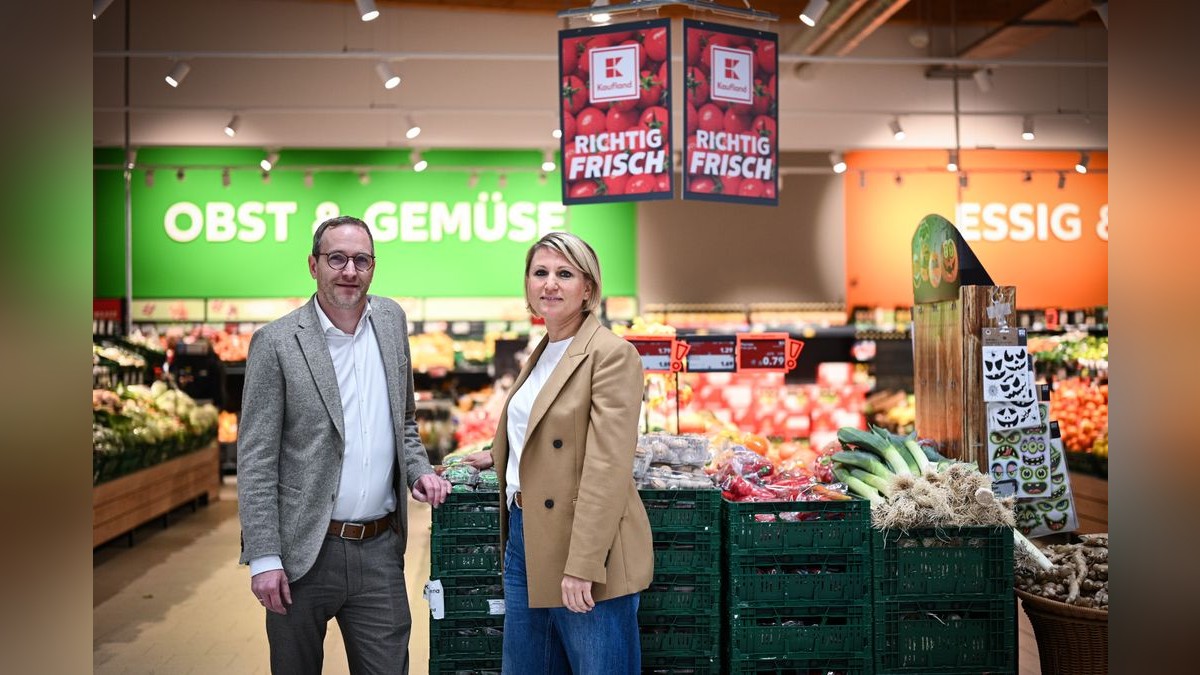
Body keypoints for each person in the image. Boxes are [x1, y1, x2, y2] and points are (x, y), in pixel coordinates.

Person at [237, 215, 451, 674]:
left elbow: (404, 420)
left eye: (361, 260)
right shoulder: (276, 343)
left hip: (379, 549)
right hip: (302, 553)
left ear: (373, 266)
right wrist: (264, 556)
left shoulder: (391, 321)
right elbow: (255, 459)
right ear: (313, 265)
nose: (349, 271)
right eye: (336, 259)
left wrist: (419, 470)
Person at [491, 231, 653, 674]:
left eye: (565, 274)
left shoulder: (611, 354)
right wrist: (502, 455)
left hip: (581, 544)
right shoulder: (544, 350)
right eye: (540, 273)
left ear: (588, 288)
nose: (550, 284)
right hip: (526, 536)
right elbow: (547, 429)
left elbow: (607, 468)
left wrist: (583, 565)